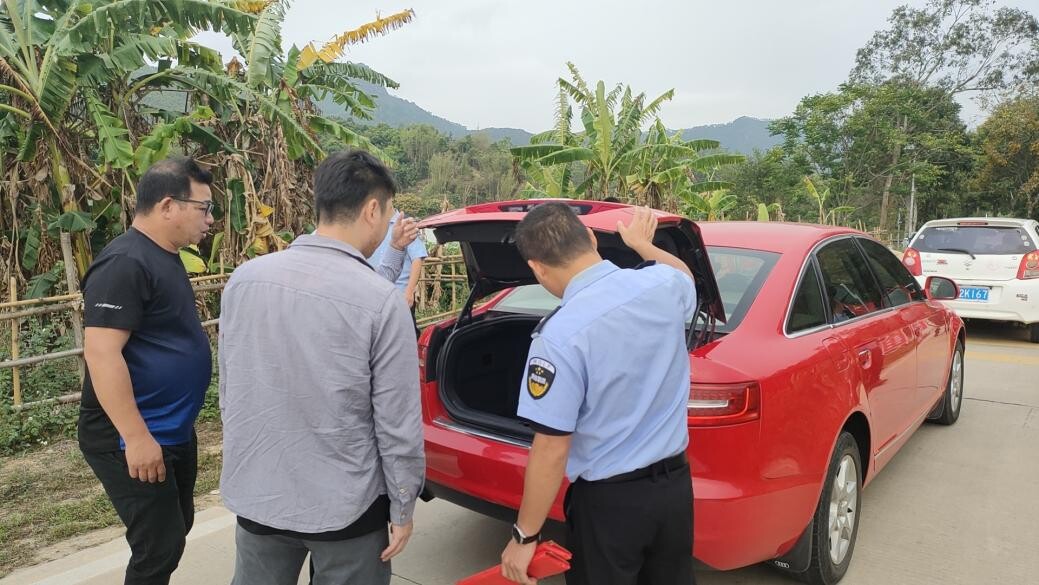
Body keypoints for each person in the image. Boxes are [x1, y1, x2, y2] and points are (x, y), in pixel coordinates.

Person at [219, 149, 425, 585]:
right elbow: (397, 425)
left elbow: (232, 390)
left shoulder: (245, 280)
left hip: (259, 495)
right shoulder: (381, 302)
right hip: (346, 509)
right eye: (389, 213)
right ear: (373, 209)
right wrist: (403, 506)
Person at [499, 203, 698, 585]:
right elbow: (685, 275)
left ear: (537, 268)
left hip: (610, 505)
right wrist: (643, 245)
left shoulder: (559, 337)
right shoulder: (662, 284)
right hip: (674, 489)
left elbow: (551, 447)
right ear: (591, 238)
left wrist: (525, 536)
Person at [78, 157, 215, 585]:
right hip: (130, 431)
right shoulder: (125, 261)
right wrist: (136, 438)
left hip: (171, 427)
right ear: (168, 205)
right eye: (204, 208)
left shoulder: (163, 255)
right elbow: (101, 353)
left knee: (177, 526)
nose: (210, 220)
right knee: (159, 545)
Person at [367, 209, 428, 318]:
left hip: (400, 294)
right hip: (375, 294)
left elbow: (417, 259)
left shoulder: (406, 224)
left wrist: (409, 291)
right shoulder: (370, 225)